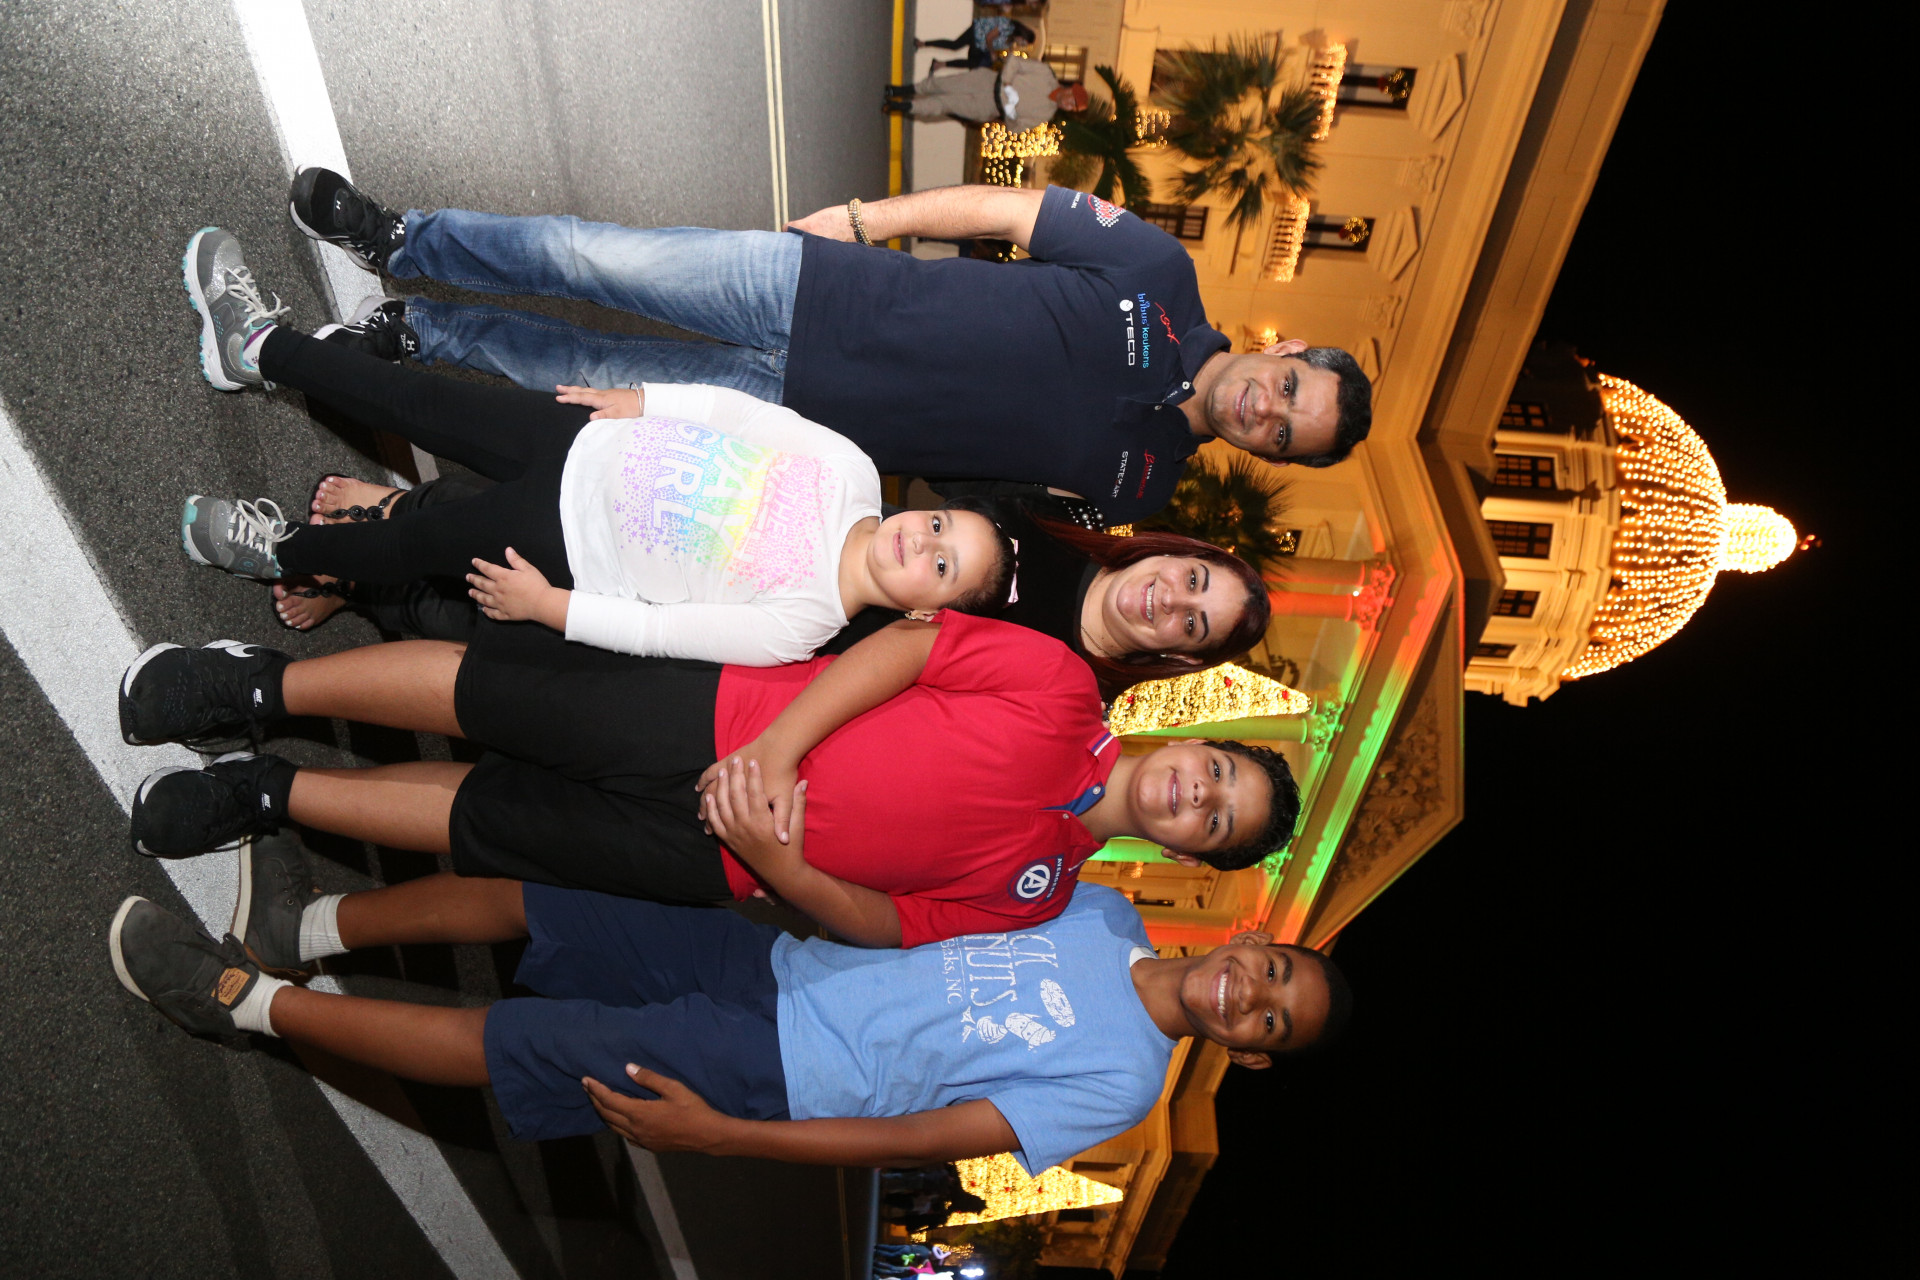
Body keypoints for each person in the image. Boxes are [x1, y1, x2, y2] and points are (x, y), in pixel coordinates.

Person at [107, 835, 1351, 1164]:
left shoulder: (1124, 1082)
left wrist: (728, 1135)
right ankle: (306, 927)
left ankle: (239, 999)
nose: (1251, 994)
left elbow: (923, 1136)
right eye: (1275, 972)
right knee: (547, 894)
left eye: (1268, 1021)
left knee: (519, 1040)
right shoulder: (1104, 909)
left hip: (787, 1070)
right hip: (782, 958)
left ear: (1247, 1053)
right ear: (1255, 936)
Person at [119, 608, 1300, 948]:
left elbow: (888, 924)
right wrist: (774, 754)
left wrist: (779, 860)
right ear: (1196, 743)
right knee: (487, 696)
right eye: (1217, 775)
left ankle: (265, 795)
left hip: (717, 861)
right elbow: (904, 648)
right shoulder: (1063, 690)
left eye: (1214, 821)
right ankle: (260, 686)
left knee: (489, 819)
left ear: (1186, 852)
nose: (1196, 797)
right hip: (728, 715)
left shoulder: (1041, 892)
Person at [285, 169, 1373, 524]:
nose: (1266, 411)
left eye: (1286, 434)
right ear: (1290, 349)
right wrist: (863, 221)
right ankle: (403, 240)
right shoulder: (1160, 275)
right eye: (1290, 388)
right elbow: (1008, 212)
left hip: (792, 423)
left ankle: (419, 329)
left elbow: (981, 502)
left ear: (1269, 454)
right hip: (822, 290)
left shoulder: (1139, 488)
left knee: (580, 377)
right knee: (594, 259)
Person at [180, 228, 1014, 666]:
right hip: (585, 439)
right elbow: (741, 416)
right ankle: (260, 349)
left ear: (926, 612)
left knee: (413, 543)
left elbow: (660, 633)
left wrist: (549, 607)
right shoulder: (853, 471)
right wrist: (644, 399)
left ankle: (283, 551)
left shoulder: (805, 626)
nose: (923, 543)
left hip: (564, 544)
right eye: (942, 526)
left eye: (943, 566)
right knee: (418, 401)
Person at [273, 476, 1273, 701]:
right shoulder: (1067, 518)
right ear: (1177, 551)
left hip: (783, 654)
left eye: (1195, 622)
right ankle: (392, 519)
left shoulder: (1073, 693)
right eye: (1194, 578)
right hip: (787, 545)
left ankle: (368, 592)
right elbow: (930, 489)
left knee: (534, 635)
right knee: (565, 530)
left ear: (1178, 652)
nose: (1171, 600)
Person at [884, 59, 1088, 133]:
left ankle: (902, 107)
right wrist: (1007, 83)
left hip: (988, 108)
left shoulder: (1045, 115)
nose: (1068, 107)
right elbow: (1015, 62)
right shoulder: (1045, 74)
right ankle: (901, 91)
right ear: (1070, 90)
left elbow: (1016, 129)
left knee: (944, 104)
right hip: (988, 81)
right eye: (1072, 102)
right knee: (940, 84)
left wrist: (1011, 114)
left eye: (1072, 108)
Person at [916, 17, 1036, 70]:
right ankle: (923, 44)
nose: (1021, 45)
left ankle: (940, 64)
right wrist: (992, 53)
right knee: (955, 45)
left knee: (973, 64)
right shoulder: (1008, 26)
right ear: (1023, 36)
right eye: (1023, 43)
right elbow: (989, 37)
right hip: (977, 32)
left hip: (979, 44)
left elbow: (1004, 50)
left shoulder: (1010, 41)